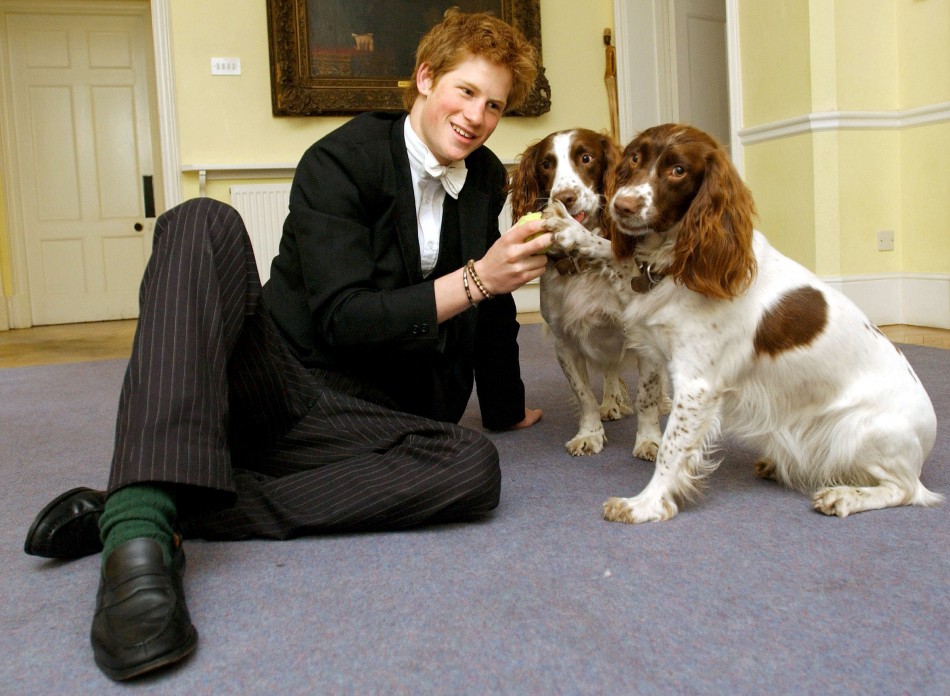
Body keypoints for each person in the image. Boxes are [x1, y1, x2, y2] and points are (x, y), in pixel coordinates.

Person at [23, 11, 549, 682]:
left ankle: (184, 502)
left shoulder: (484, 180)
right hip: (279, 380)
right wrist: (476, 280)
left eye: (496, 104)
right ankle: (137, 532)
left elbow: (494, 305)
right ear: (424, 79)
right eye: (466, 91)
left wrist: (503, 406)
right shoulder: (341, 158)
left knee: (474, 469)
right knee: (201, 221)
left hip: (369, 418)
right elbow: (344, 319)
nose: (478, 116)